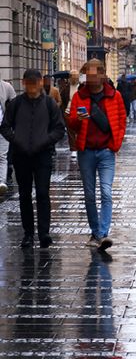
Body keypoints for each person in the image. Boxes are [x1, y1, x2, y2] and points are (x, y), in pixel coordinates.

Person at [0, 69, 65, 248]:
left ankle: (44, 233)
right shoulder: (16, 104)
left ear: (39, 83)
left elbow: (59, 129)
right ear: (24, 83)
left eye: (34, 83)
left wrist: (46, 140)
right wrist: (16, 140)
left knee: (43, 193)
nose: (31, 88)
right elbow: (4, 126)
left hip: (43, 155)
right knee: (24, 195)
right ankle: (28, 233)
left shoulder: (50, 104)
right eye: (28, 84)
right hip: (21, 155)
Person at [67, 59, 127, 252]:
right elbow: (72, 125)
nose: (91, 77)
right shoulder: (79, 96)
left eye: (94, 73)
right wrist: (78, 119)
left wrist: (115, 143)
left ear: (102, 74)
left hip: (106, 151)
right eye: (87, 74)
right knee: (89, 194)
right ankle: (95, 232)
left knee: (106, 192)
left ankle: (102, 233)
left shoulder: (114, 95)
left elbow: (121, 119)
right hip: (86, 151)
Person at [0, 76, 16, 193]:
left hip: (2, 127)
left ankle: (2, 181)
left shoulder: (6, 86)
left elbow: (15, 103)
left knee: (2, 155)